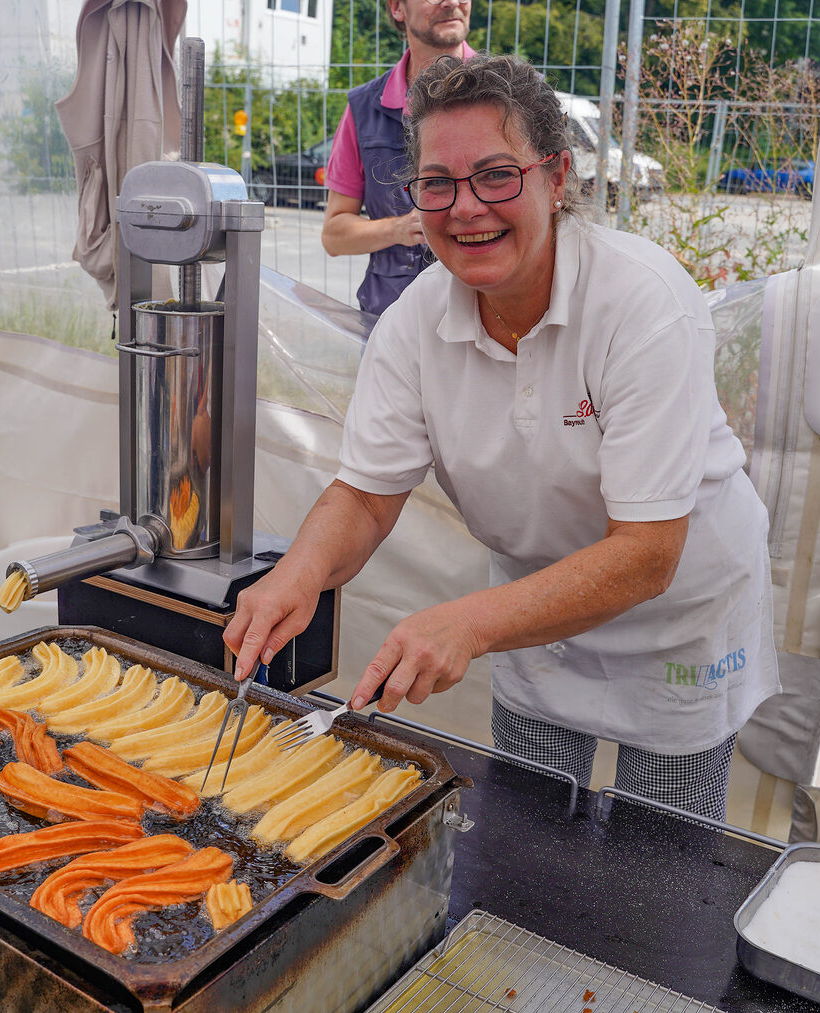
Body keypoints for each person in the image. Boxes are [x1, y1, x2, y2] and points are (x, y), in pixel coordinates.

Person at [225, 54, 780, 820]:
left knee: (660, 863)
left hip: (677, 616)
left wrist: (467, 622)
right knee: (529, 830)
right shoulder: (416, 324)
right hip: (532, 609)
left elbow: (650, 552)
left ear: (556, 178)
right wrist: (300, 573)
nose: (465, 208)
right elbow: (365, 494)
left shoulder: (641, 303)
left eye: (496, 175)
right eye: (438, 184)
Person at [320, 0, 475, 316]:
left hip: (484, 320)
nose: (452, 2)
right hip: (389, 321)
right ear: (396, 8)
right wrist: (397, 229)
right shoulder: (364, 108)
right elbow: (334, 235)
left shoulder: (512, 96)